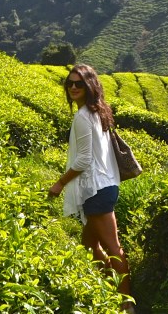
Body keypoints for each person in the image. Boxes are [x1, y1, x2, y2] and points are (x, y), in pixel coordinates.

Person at [47, 64, 133, 311]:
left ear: (89, 86)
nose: (73, 87)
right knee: (89, 246)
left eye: (79, 83)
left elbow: (84, 160)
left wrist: (59, 183)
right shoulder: (99, 111)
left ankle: (126, 304)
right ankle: (111, 290)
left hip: (96, 188)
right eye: (70, 83)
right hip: (105, 185)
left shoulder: (83, 117)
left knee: (113, 247)